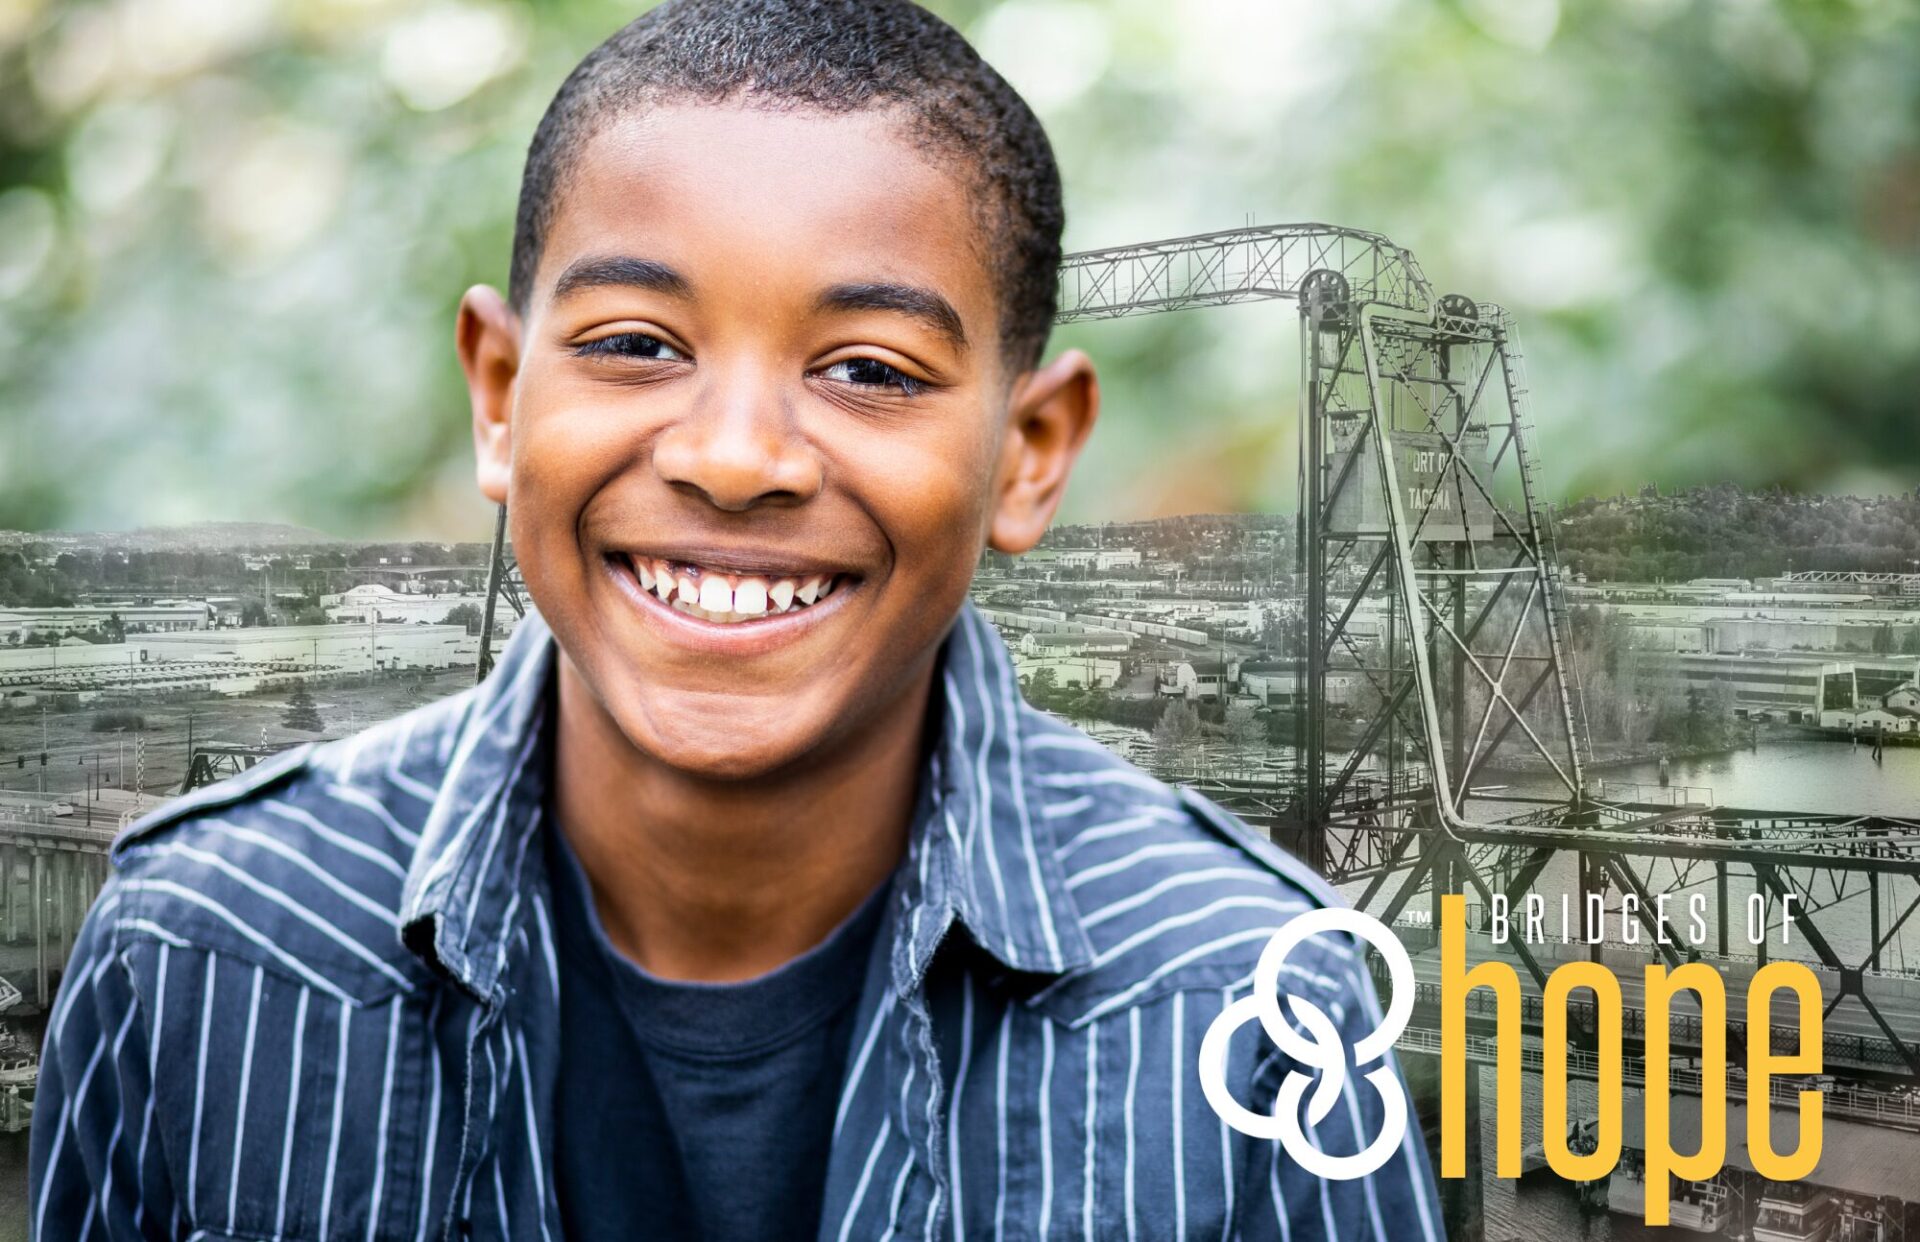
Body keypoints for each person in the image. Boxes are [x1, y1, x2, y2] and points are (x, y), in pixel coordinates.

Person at [30, 2, 1440, 1238]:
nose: (736, 453)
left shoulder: (1256, 1013)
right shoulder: (206, 960)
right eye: (638, 344)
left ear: (1030, 449)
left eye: (870, 369)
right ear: (500, 396)